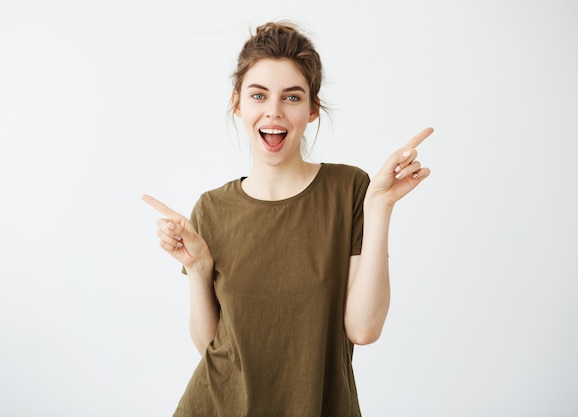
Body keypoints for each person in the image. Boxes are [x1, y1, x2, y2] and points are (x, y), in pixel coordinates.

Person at [143, 21, 433, 417]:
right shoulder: (211, 208)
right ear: (238, 103)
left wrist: (379, 208)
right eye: (258, 95)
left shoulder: (349, 190)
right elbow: (214, 349)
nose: (273, 112)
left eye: (292, 97)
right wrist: (198, 269)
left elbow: (363, 330)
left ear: (313, 108)